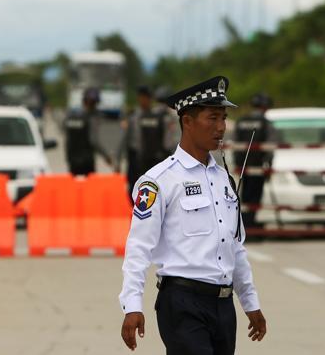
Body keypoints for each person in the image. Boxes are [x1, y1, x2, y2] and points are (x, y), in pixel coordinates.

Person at [119, 76, 267, 354]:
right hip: (182, 304)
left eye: (223, 118)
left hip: (223, 306)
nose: (221, 127)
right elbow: (138, 246)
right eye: (212, 118)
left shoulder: (224, 179)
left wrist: (250, 302)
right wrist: (132, 305)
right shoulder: (159, 181)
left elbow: (235, 247)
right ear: (187, 121)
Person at [233, 92, 278, 233]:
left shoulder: (241, 121)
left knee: (244, 194)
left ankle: (244, 223)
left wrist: (237, 163)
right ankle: (250, 224)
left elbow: (235, 143)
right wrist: (269, 165)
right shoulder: (265, 123)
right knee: (255, 196)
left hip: (243, 165)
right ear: (265, 107)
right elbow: (270, 146)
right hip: (258, 165)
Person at [119, 85, 169, 199]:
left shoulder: (158, 115)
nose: (143, 100)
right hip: (135, 157)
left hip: (153, 157)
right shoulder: (133, 116)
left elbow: (164, 138)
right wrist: (119, 159)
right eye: (141, 97)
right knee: (134, 188)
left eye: (146, 97)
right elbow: (125, 139)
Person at [64, 87, 112, 175]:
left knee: (75, 187)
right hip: (87, 161)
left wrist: (68, 158)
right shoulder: (90, 118)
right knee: (89, 187)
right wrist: (106, 156)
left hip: (73, 161)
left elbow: (68, 140)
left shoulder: (71, 117)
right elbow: (93, 140)